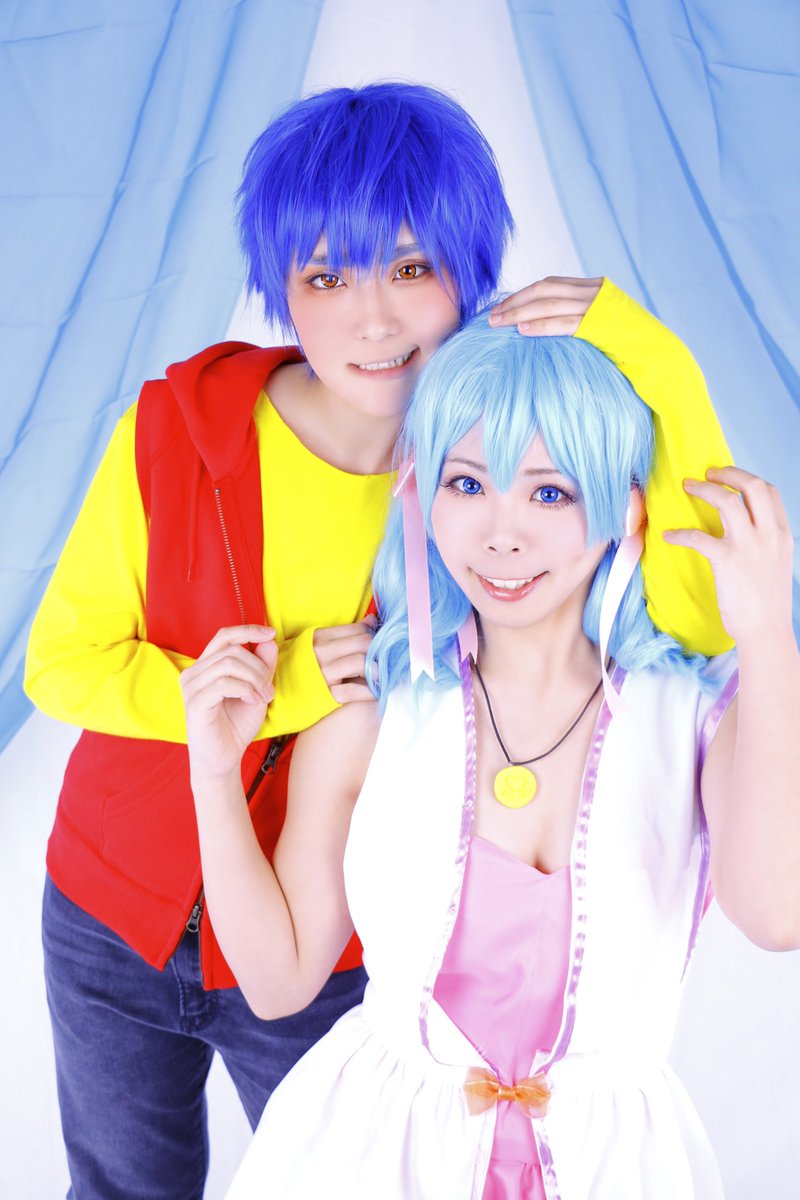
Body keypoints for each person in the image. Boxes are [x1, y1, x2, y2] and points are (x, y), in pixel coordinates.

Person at [25, 82, 731, 1198]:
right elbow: (61, 664)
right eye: (324, 277)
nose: (371, 319)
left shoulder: (482, 476)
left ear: (470, 273)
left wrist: (663, 366)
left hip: (326, 948)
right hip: (112, 909)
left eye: (410, 268)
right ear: (280, 290)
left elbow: (696, 615)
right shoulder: (172, 434)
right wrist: (284, 694)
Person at [181, 314, 799, 1199]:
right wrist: (212, 771)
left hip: (610, 1170)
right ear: (421, 493)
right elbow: (278, 984)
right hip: (375, 1159)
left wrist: (769, 634)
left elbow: (777, 915)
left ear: (627, 510)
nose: (500, 535)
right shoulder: (375, 711)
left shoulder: (697, 717)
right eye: (466, 482)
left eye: (549, 493)